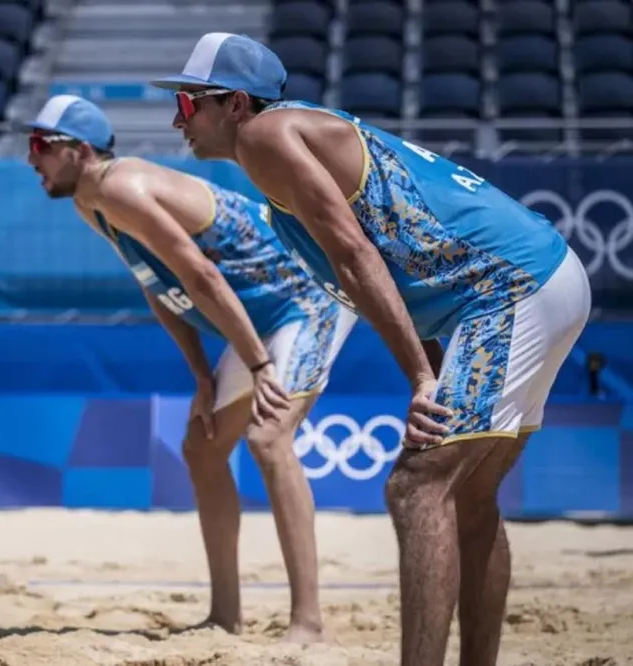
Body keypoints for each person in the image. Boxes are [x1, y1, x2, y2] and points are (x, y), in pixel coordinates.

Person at [149, 32, 591, 666]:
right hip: (535, 279)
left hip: (508, 290)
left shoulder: (267, 138)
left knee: (417, 487)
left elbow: (357, 258)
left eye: (190, 104)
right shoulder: (290, 144)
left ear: (237, 104)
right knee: (466, 494)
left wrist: (419, 377)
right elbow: (406, 268)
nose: (176, 119)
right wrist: (432, 367)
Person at [25, 94, 358, 643]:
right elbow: (157, 285)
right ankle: (225, 616)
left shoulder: (120, 187)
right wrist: (203, 377)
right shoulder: (92, 201)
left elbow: (200, 275)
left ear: (79, 151)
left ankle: (308, 621)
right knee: (203, 447)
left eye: (41, 146)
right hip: (259, 322)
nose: (31, 159)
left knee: (270, 438)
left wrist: (257, 363)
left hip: (307, 297)